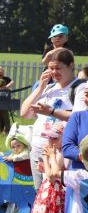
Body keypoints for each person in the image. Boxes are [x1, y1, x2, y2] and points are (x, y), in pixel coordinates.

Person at [21, 48, 79, 190]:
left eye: (58, 68)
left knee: (59, 196)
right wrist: (41, 87)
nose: (54, 72)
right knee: (41, 195)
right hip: (38, 149)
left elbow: (81, 117)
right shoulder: (48, 88)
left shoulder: (79, 88)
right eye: (50, 68)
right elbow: (25, 113)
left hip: (60, 153)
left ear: (71, 66)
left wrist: (52, 112)